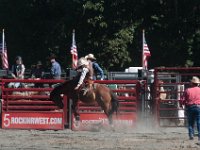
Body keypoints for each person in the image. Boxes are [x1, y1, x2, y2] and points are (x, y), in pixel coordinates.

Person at [181, 76, 200, 142]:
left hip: (190, 107)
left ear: (192, 83)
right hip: (198, 107)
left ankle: (191, 135)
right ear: (197, 84)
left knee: (190, 122)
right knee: (199, 121)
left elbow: (183, 100)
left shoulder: (187, 90)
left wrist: (182, 104)